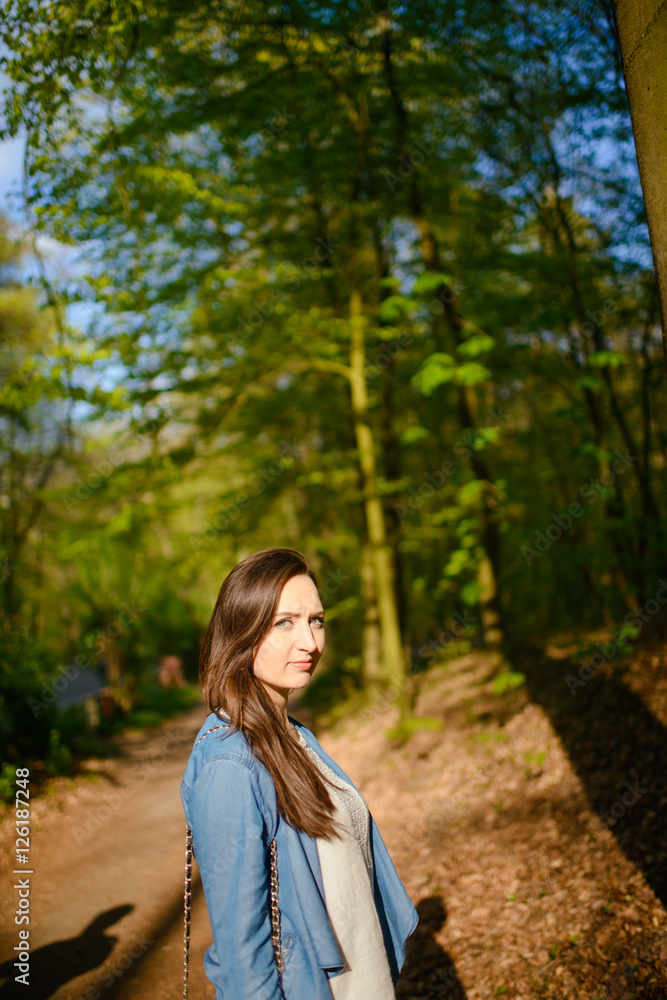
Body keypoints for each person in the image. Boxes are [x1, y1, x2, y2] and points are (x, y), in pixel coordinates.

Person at [181, 546, 418, 1000]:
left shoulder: (294, 735)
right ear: (242, 633)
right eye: (284, 623)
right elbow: (242, 958)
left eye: (316, 620)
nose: (310, 643)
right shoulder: (231, 765)